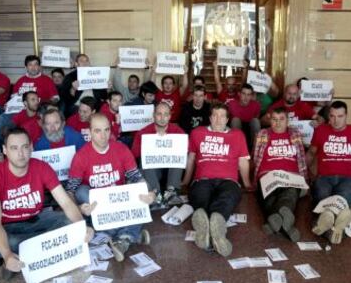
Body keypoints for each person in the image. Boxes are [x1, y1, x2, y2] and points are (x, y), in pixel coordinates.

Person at [0, 128, 92, 275]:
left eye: (25, 147)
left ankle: (32, 250)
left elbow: (65, 202)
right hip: (9, 227)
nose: (20, 154)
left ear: (31, 147)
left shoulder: (41, 167)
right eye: (14, 148)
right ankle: (44, 246)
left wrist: (80, 227)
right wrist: (7, 254)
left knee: (75, 221)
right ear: (5, 150)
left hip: (39, 219)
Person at [66, 113, 155, 262]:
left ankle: (119, 237)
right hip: (97, 207)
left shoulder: (121, 149)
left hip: (118, 204)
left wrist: (149, 193)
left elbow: (136, 176)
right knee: (81, 191)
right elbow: (70, 190)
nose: (103, 135)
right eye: (97, 131)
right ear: (89, 132)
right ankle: (130, 235)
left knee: (139, 188)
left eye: (106, 130)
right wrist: (79, 208)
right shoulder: (81, 156)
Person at [182, 103, 252, 257]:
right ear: (209, 118)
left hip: (229, 180)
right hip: (203, 179)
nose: (218, 120)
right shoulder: (197, 133)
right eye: (215, 115)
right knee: (200, 196)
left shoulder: (237, 135)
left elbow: (243, 161)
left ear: (227, 119)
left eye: (222, 116)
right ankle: (209, 227)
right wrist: (186, 181)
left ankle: (215, 224)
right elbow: (191, 158)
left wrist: (247, 183)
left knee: (228, 196)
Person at [253, 107, 308, 242]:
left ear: (287, 121)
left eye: (281, 119)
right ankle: (287, 224)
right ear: (269, 120)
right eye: (274, 119)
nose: (278, 123)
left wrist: (305, 179)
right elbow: (255, 157)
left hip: (291, 176)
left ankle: (274, 220)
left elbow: (301, 158)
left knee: (290, 193)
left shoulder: (295, 134)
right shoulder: (262, 134)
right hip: (268, 174)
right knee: (268, 196)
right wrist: (252, 179)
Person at [306, 101, 351, 244]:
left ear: (346, 116)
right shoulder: (321, 130)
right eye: (332, 116)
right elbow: (311, 153)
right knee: (321, 200)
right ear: (328, 117)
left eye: (340, 116)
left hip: (347, 178)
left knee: (342, 201)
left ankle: (325, 228)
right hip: (324, 177)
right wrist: (304, 174)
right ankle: (336, 230)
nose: (336, 120)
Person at [132, 102, 185, 205]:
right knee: (144, 159)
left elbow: (185, 154)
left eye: (166, 114)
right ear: (154, 115)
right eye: (159, 114)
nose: (162, 118)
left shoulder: (178, 132)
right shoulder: (143, 133)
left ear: (170, 116)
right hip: (152, 171)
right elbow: (135, 156)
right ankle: (155, 193)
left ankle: (171, 192)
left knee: (179, 155)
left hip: (171, 170)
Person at [0, 55, 58, 141]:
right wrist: (8, 105)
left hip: (38, 110)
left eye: (36, 64)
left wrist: (46, 104)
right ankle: (4, 147)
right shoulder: (20, 81)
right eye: (30, 65)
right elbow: (13, 99)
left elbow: (55, 98)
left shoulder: (47, 80)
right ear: (26, 67)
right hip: (19, 111)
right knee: (1, 118)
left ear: (39, 67)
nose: (33, 67)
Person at [228, 83, 261, 149]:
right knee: (235, 120)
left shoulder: (256, 105)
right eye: (244, 94)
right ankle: (236, 147)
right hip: (236, 127)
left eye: (248, 95)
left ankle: (255, 148)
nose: (246, 97)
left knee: (256, 121)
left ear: (251, 96)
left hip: (250, 128)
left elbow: (257, 118)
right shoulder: (232, 104)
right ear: (239, 94)